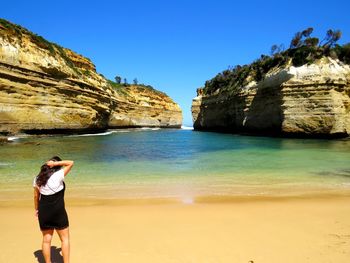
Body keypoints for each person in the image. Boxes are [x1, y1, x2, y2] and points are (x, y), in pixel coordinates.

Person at [33, 156, 74, 263]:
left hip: (44, 212)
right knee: (65, 239)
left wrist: (36, 209)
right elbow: (71, 162)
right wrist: (55, 163)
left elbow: (36, 197)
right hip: (58, 212)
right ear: (56, 166)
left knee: (46, 240)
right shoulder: (58, 175)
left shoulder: (38, 179)